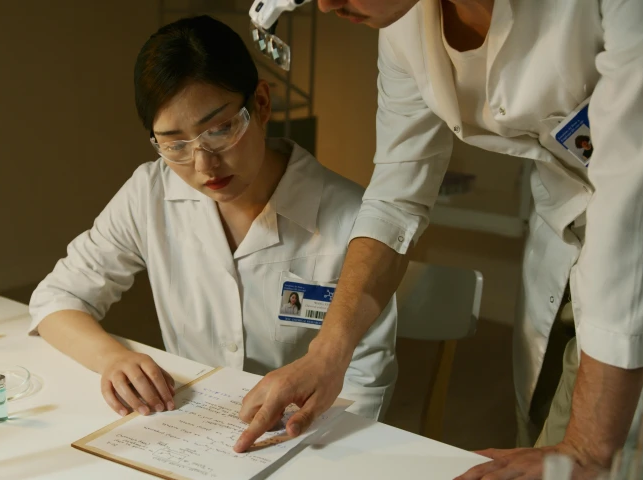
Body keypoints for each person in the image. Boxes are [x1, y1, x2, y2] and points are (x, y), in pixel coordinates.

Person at [233, 0, 643, 478]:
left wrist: (587, 447)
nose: (326, 4)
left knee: (603, 459)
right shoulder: (404, 28)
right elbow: (397, 198)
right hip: (565, 224)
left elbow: (635, 205)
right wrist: (325, 355)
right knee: (537, 437)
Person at [28, 15, 396, 423]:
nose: (204, 164)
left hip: (304, 436)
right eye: (175, 145)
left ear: (260, 104)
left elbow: (365, 385)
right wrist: (112, 358)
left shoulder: (353, 219)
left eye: (220, 130)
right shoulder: (150, 193)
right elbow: (57, 299)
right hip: (192, 431)